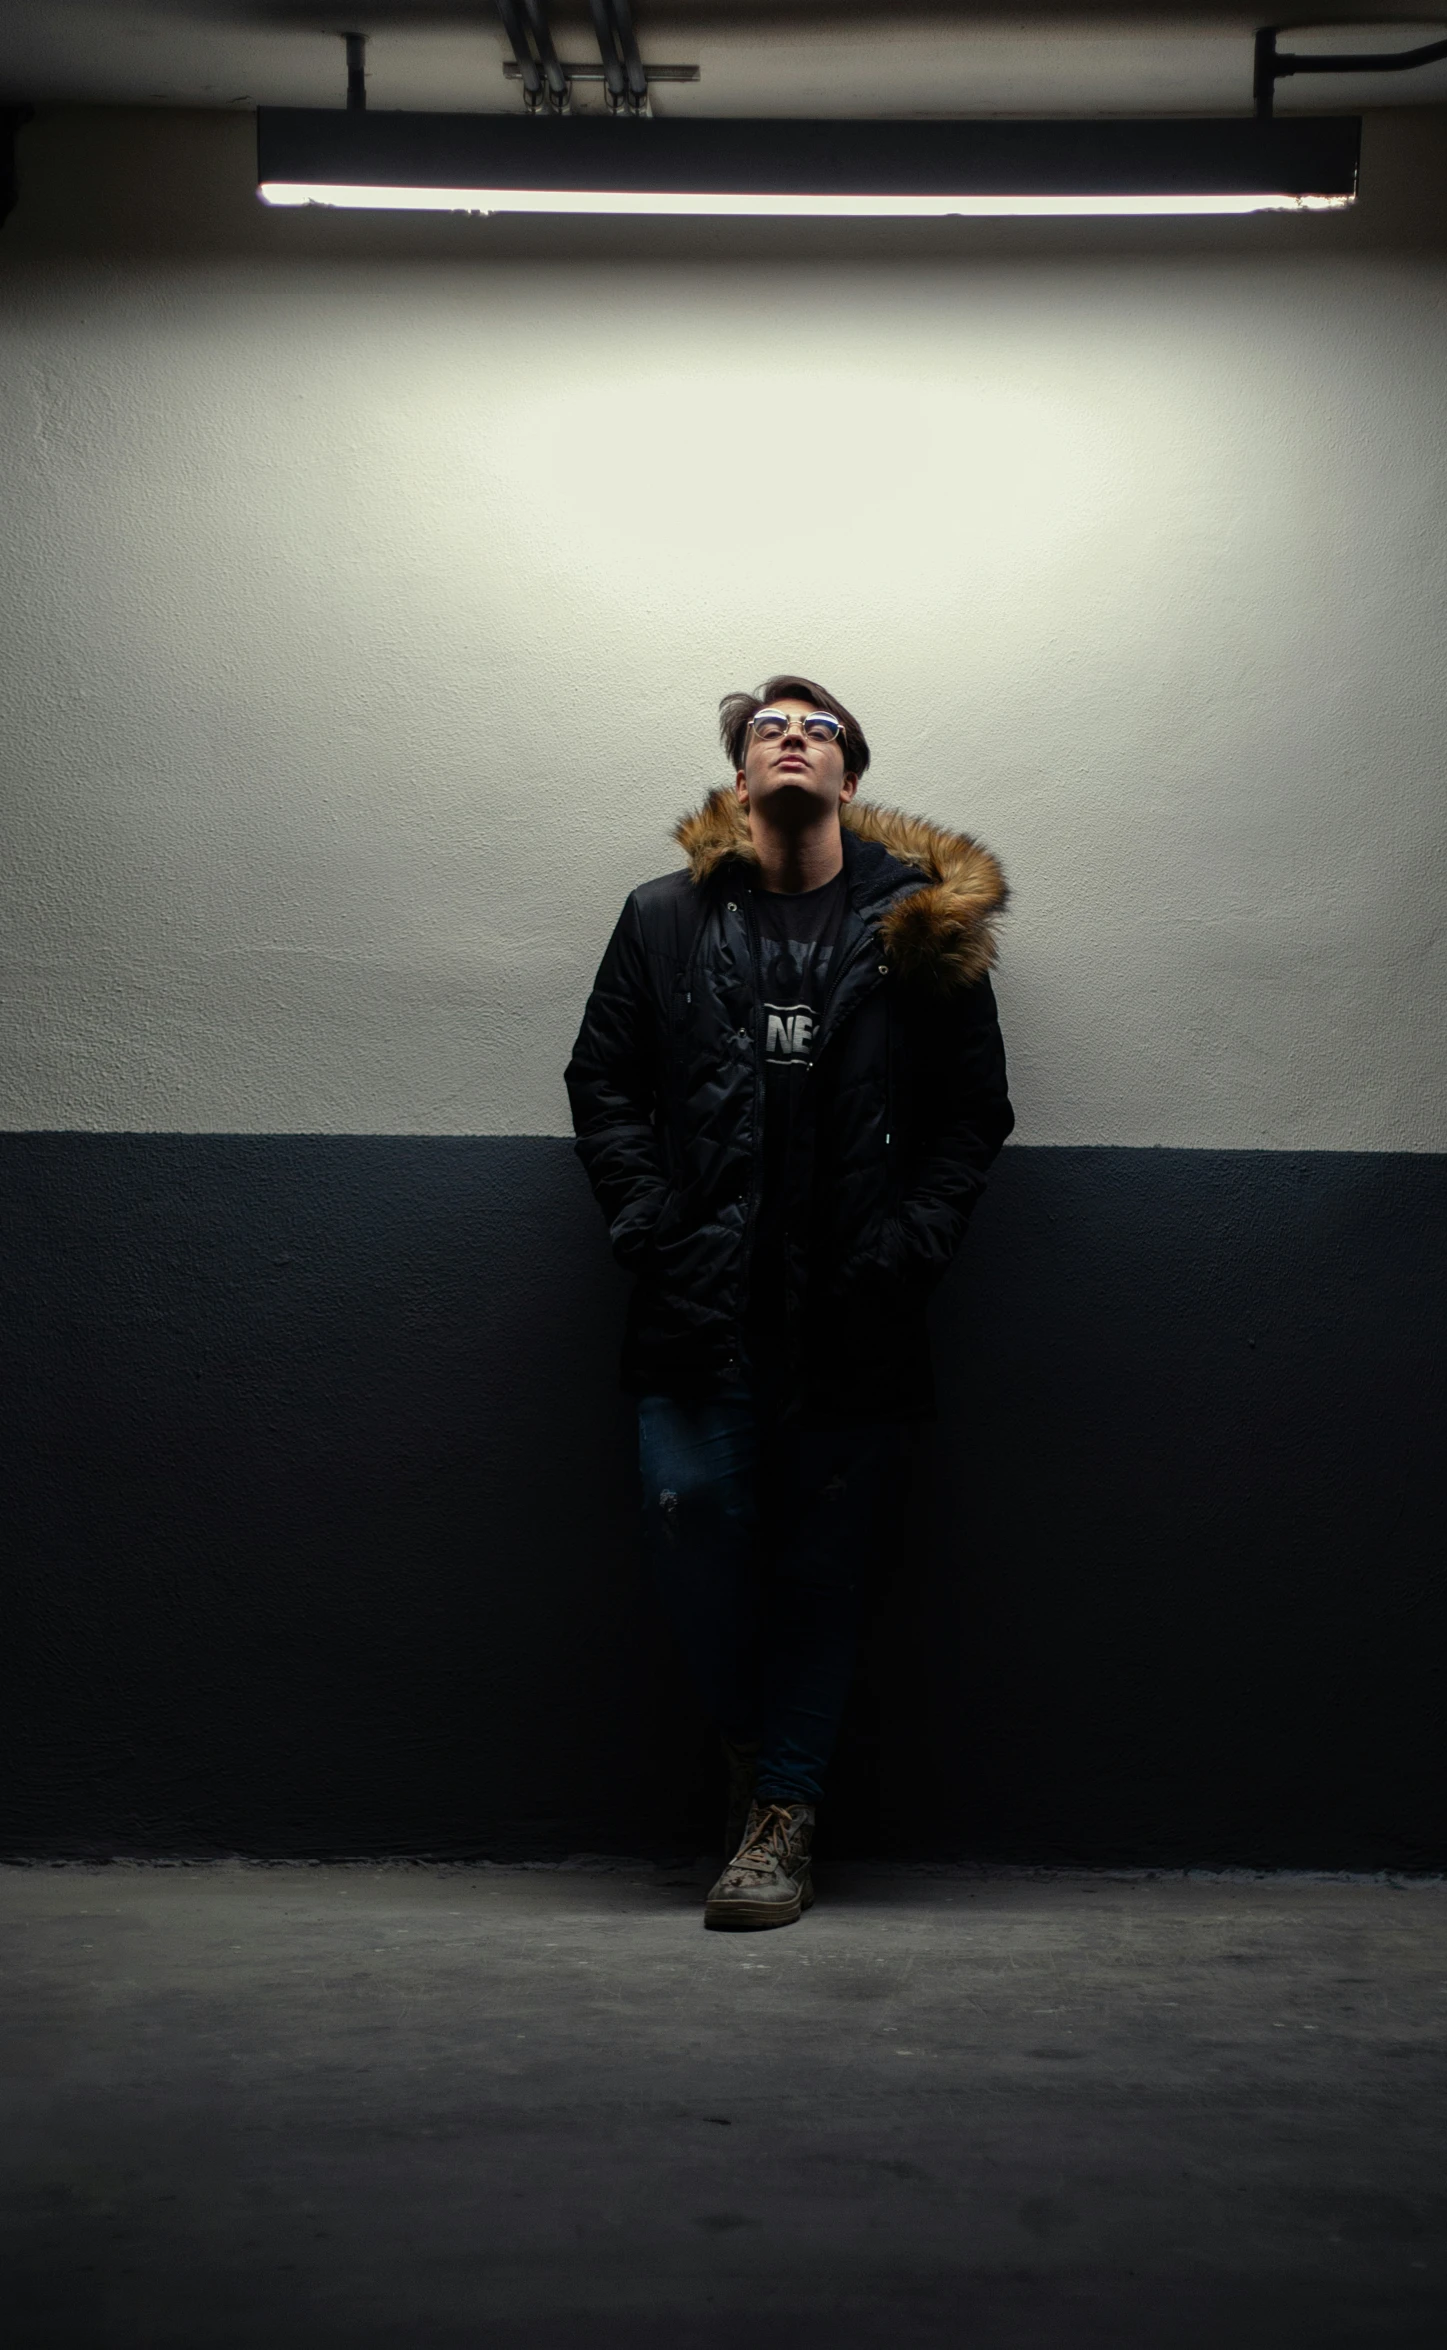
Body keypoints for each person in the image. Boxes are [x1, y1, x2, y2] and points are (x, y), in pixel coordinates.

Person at [565, 675, 1012, 1930]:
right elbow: (602, 1083)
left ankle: (781, 1820)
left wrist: (908, 1248)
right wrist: (652, 1227)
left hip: (855, 1315)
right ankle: (765, 1763)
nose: (793, 739)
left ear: (850, 781)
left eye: (818, 729)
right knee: (692, 1511)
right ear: (741, 778)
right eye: (769, 728)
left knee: (827, 1570)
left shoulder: (921, 930)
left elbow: (972, 1114)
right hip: (698, 1304)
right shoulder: (662, 920)